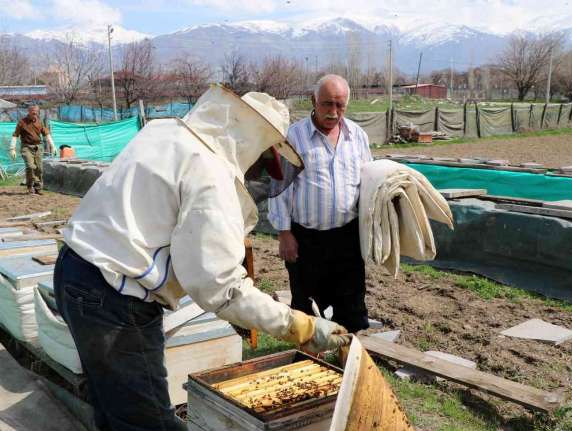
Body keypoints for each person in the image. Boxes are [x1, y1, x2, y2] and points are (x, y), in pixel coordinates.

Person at [54, 85, 351, 431]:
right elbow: (222, 287)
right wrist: (300, 325)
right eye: (265, 161)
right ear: (251, 144)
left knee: (113, 409)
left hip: (75, 272)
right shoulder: (210, 174)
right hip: (115, 299)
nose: (258, 174)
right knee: (149, 423)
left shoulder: (163, 131)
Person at [268, 74, 373, 334]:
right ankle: (307, 363)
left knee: (352, 306)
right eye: (327, 104)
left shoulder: (357, 136)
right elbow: (279, 188)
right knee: (306, 309)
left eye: (340, 105)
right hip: (306, 240)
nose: (333, 112)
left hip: (348, 237)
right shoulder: (293, 137)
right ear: (313, 100)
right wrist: (284, 234)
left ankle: (350, 363)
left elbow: (370, 182)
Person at [10, 105, 55, 195]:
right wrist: (12, 148)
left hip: (38, 147)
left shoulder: (39, 122)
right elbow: (15, 135)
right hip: (26, 147)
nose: (35, 113)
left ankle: (38, 188)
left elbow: (46, 134)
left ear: (38, 112)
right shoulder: (22, 122)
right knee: (31, 167)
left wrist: (53, 146)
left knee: (39, 168)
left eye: (36, 112)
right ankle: (30, 186)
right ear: (29, 111)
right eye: (33, 112)